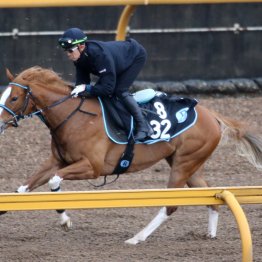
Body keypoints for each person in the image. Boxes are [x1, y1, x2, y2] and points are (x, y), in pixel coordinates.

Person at [58, 27, 152, 141]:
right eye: (66, 51)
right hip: (116, 62)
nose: (68, 54)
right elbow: (81, 84)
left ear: (81, 46)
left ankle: (144, 127)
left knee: (119, 91)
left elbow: (107, 89)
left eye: (70, 50)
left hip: (135, 56)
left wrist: (86, 88)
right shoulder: (79, 58)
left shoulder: (99, 56)